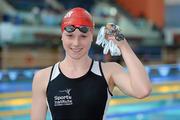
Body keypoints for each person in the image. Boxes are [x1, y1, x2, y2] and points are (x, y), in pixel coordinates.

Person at [31, 7, 152, 120]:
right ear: (62, 36)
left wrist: (123, 44)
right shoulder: (43, 77)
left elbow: (143, 90)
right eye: (70, 36)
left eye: (83, 36)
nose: (76, 43)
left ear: (91, 37)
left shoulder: (108, 71)